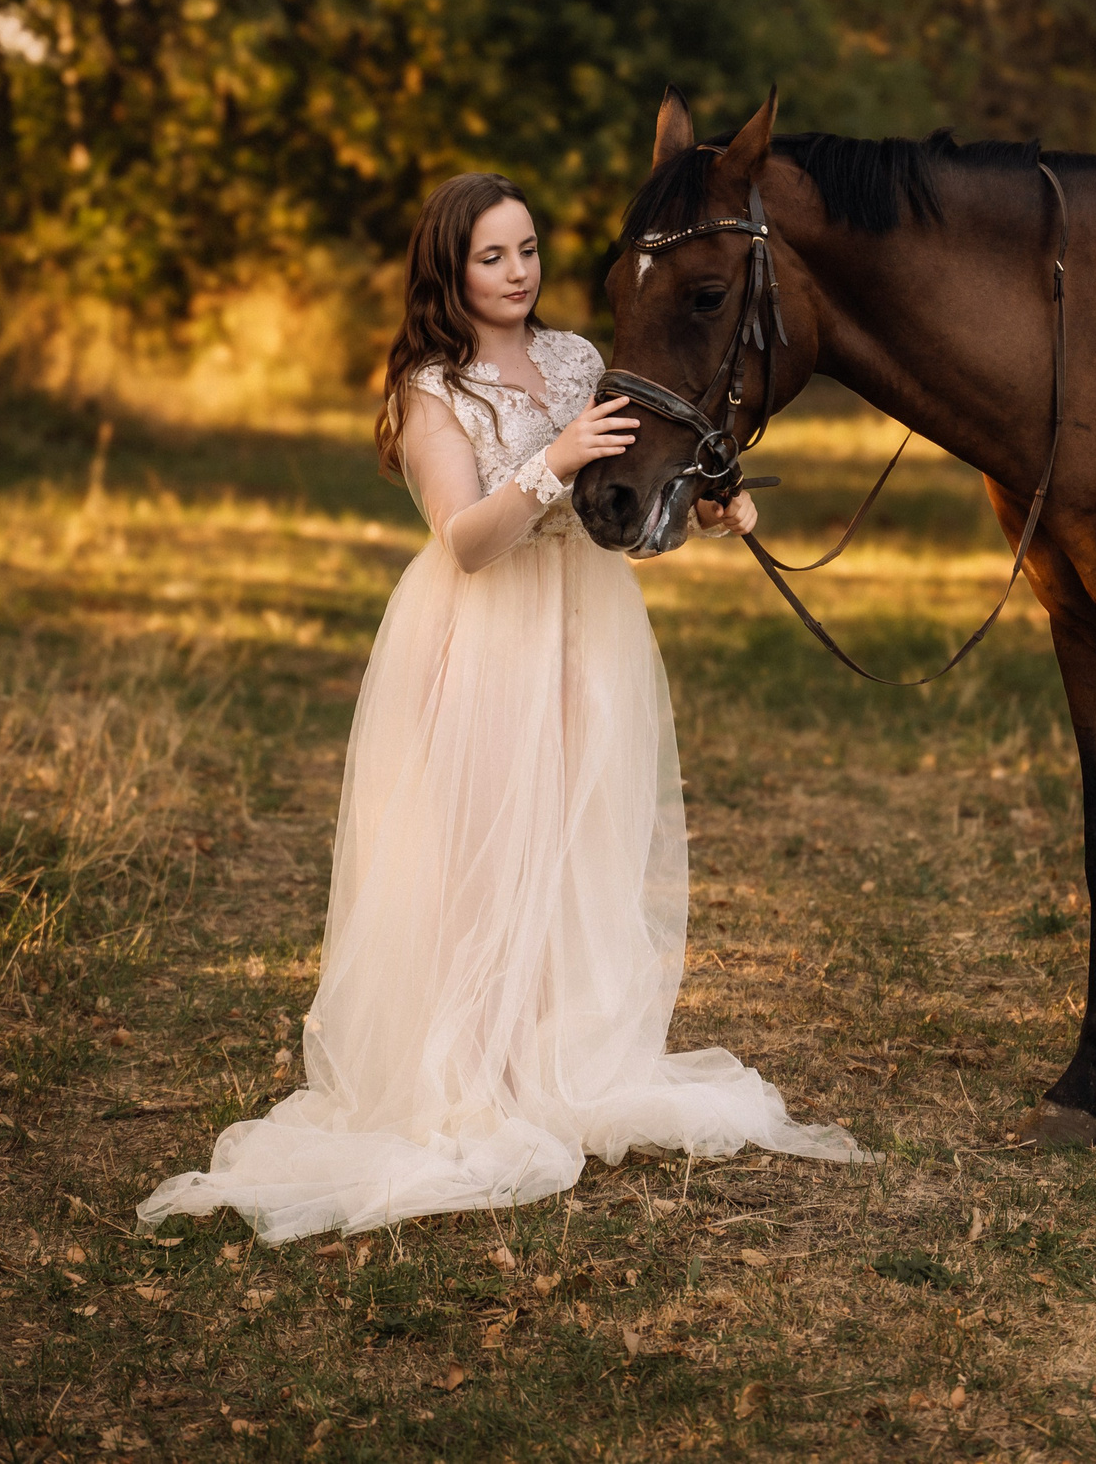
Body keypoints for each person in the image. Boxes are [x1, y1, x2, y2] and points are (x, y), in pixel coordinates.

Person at [139, 173, 863, 1243]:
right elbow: (465, 540)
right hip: (483, 637)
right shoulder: (433, 388)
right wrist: (554, 458)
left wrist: (702, 507)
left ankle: (549, 1059)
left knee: (573, 845)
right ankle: (463, 1077)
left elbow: (614, 510)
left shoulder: (579, 360)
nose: (517, 273)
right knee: (480, 850)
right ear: (450, 268)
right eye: (492, 257)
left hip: (587, 631)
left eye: (527, 251)